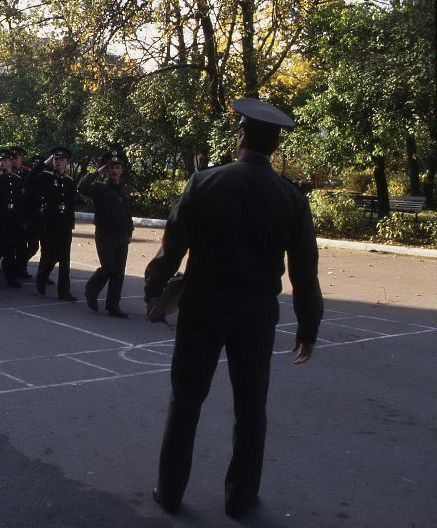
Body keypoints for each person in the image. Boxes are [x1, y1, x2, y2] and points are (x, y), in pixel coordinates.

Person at [144, 98, 323, 518]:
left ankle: (169, 492)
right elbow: (305, 272)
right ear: (272, 148)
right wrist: (308, 327)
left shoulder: (205, 183)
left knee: (185, 402)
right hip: (256, 316)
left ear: (240, 138)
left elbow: (172, 248)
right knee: (250, 410)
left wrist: (154, 290)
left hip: (203, 308)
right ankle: (240, 499)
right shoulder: (292, 198)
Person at [79, 149, 134, 318]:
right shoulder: (99, 188)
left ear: (122, 170)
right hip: (105, 235)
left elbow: (127, 211)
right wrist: (97, 171)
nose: (115, 171)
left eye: (118, 167)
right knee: (108, 268)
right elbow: (81, 187)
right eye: (111, 167)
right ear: (107, 169)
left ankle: (113, 305)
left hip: (121, 236)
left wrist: (130, 230)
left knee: (118, 272)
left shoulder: (124, 189)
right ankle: (91, 290)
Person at [35, 146, 78, 301]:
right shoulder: (46, 177)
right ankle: (42, 275)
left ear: (67, 162)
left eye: (61, 160)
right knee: (52, 254)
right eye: (56, 159)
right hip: (50, 220)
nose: (58, 162)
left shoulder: (69, 181)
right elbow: (31, 178)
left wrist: (71, 223)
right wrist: (45, 162)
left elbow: (71, 203)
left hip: (64, 222)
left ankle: (64, 291)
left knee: (65, 257)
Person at [0, 149, 25, 288]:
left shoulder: (17, 179)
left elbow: (20, 201)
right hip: (0, 219)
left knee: (11, 250)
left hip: (13, 220)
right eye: (1, 160)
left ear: (11, 162)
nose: (2, 163)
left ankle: (11, 277)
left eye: (6, 160)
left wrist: (20, 220)